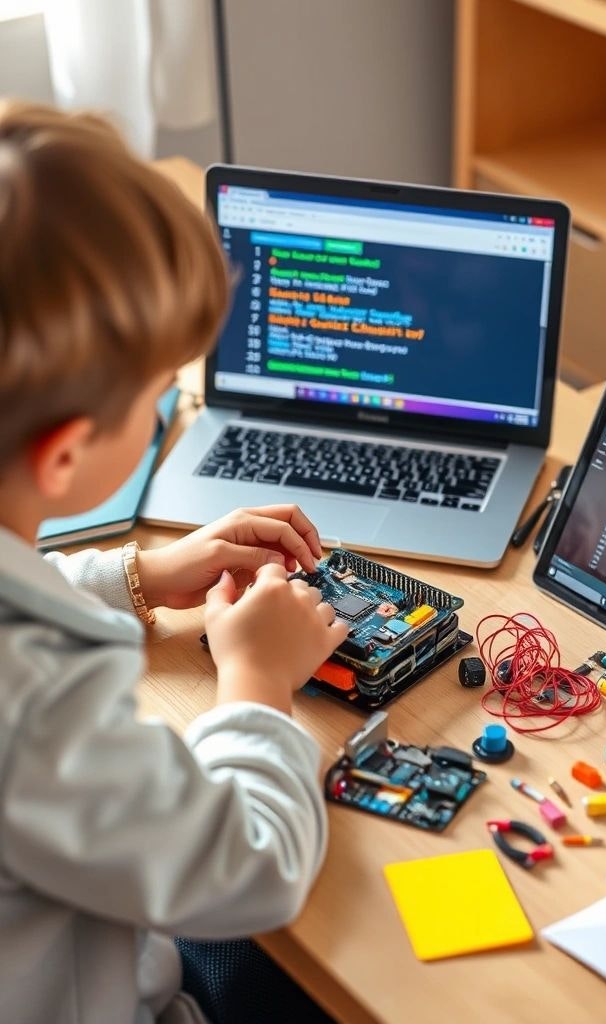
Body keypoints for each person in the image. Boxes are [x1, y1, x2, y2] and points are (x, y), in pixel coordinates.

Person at [0, 100, 349, 1024]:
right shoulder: (35, 708)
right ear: (66, 454)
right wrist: (256, 678)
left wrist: (136, 577)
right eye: (161, 394)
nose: (169, 410)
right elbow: (255, 869)